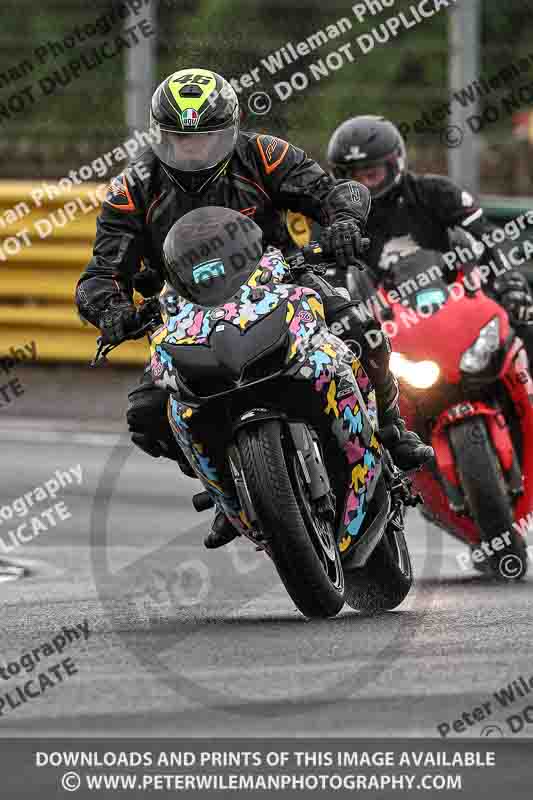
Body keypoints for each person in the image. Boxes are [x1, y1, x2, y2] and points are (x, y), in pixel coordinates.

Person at [76, 70, 432, 550]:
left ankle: (390, 428)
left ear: (231, 129)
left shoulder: (265, 154)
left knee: (359, 326)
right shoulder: (134, 187)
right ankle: (228, 490)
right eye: (181, 139)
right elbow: (100, 274)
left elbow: (334, 192)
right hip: (184, 309)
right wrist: (113, 310)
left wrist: (344, 221)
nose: (194, 151)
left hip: (280, 279)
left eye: (206, 139)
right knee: (148, 412)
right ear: (160, 135)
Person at [325, 115, 533, 346]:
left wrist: (508, 279)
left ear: (395, 164)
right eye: (353, 177)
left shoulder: (435, 192)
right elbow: (325, 273)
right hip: (384, 328)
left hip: (458, 303)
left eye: (372, 174)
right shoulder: (333, 219)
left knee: (523, 330)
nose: (363, 186)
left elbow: (488, 234)